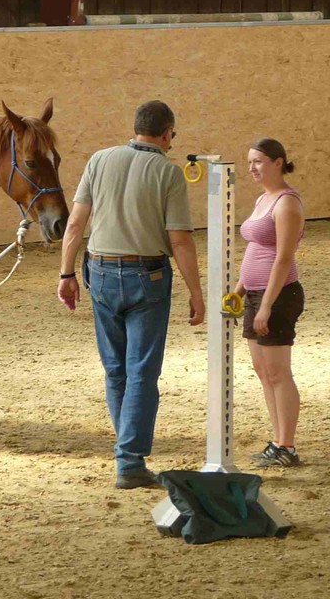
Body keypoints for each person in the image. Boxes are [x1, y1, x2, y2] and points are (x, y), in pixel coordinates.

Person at [57, 100, 206, 490]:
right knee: (142, 370)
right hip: (147, 276)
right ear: (166, 132)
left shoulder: (99, 160)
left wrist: (65, 272)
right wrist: (196, 291)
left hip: (100, 272)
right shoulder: (168, 173)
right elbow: (180, 240)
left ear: (136, 126)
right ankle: (130, 460)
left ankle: (126, 452)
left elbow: (75, 223)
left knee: (115, 368)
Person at [232, 138, 306, 468]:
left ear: (278, 162)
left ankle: (287, 445)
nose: (252, 168)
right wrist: (239, 289)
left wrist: (266, 305)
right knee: (263, 371)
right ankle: (277, 440)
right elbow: (255, 250)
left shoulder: (287, 203)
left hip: (278, 295)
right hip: (255, 294)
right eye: (250, 162)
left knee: (278, 372)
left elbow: (283, 256)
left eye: (259, 161)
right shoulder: (263, 199)